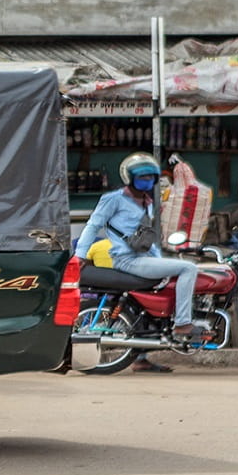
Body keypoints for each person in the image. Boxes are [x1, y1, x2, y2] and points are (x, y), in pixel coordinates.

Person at [76, 152, 202, 358]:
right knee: (189, 268)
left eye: (151, 177)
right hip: (127, 260)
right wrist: (80, 255)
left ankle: (142, 357)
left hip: (143, 259)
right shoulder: (113, 199)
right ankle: (182, 323)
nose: (147, 180)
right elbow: (93, 225)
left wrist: (160, 261)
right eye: (142, 176)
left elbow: (146, 240)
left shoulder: (147, 202)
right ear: (129, 177)